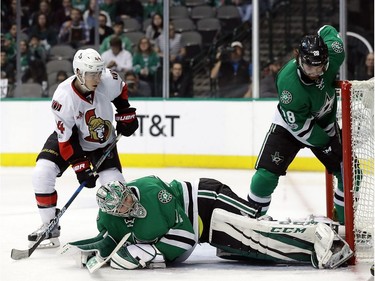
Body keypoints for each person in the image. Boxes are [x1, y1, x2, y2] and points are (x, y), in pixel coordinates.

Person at [61, 176, 353, 271]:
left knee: (257, 225)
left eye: (126, 198)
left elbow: (186, 240)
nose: (127, 205)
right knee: (251, 247)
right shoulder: (107, 217)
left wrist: (154, 253)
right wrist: (88, 249)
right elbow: (110, 239)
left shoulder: (152, 191)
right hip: (209, 230)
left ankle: (321, 231)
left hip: (208, 199)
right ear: (110, 211)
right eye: (120, 207)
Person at [27, 48, 139, 249]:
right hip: (72, 139)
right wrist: (81, 168)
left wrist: (125, 112)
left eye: (98, 72)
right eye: (91, 74)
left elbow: (121, 89)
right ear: (79, 73)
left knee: (115, 189)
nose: (97, 78)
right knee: (42, 172)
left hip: (101, 141)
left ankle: (121, 232)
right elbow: (66, 141)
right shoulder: (63, 97)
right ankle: (49, 225)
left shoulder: (107, 80)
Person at [248, 25, 346, 224]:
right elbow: (301, 128)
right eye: (310, 66)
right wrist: (327, 141)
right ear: (298, 57)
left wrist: (317, 38)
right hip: (289, 127)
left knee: (350, 174)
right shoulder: (289, 86)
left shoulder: (335, 53)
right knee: (266, 175)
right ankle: (250, 220)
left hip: (324, 124)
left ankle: (346, 224)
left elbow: (327, 29)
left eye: (320, 66)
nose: (315, 72)